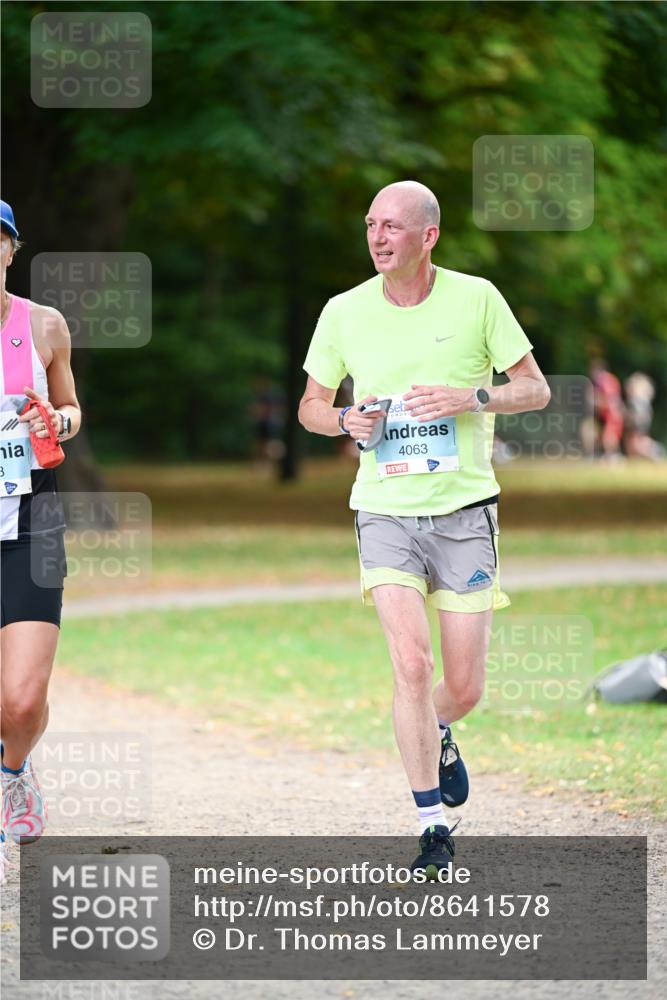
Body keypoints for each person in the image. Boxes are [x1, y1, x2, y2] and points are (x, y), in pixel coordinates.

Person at [298, 181, 550, 875]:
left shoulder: (477, 299)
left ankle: (437, 727)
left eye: (392, 227)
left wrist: (470, 397)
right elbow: (311, 405)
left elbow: (535, 389)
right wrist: (345, 420)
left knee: (463, 688)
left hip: (465, 512)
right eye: (370, 225)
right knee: (411, 664)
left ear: (428, 237)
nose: (377, 238)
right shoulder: (343, 310)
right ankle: (431, 825)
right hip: (383, 508)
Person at [0, 199, 81, 869]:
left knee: (22, 700)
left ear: (11, 249)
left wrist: (58, 420)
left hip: (32, 519)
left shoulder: (44, 324)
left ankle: (14, 772)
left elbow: (72, 408)